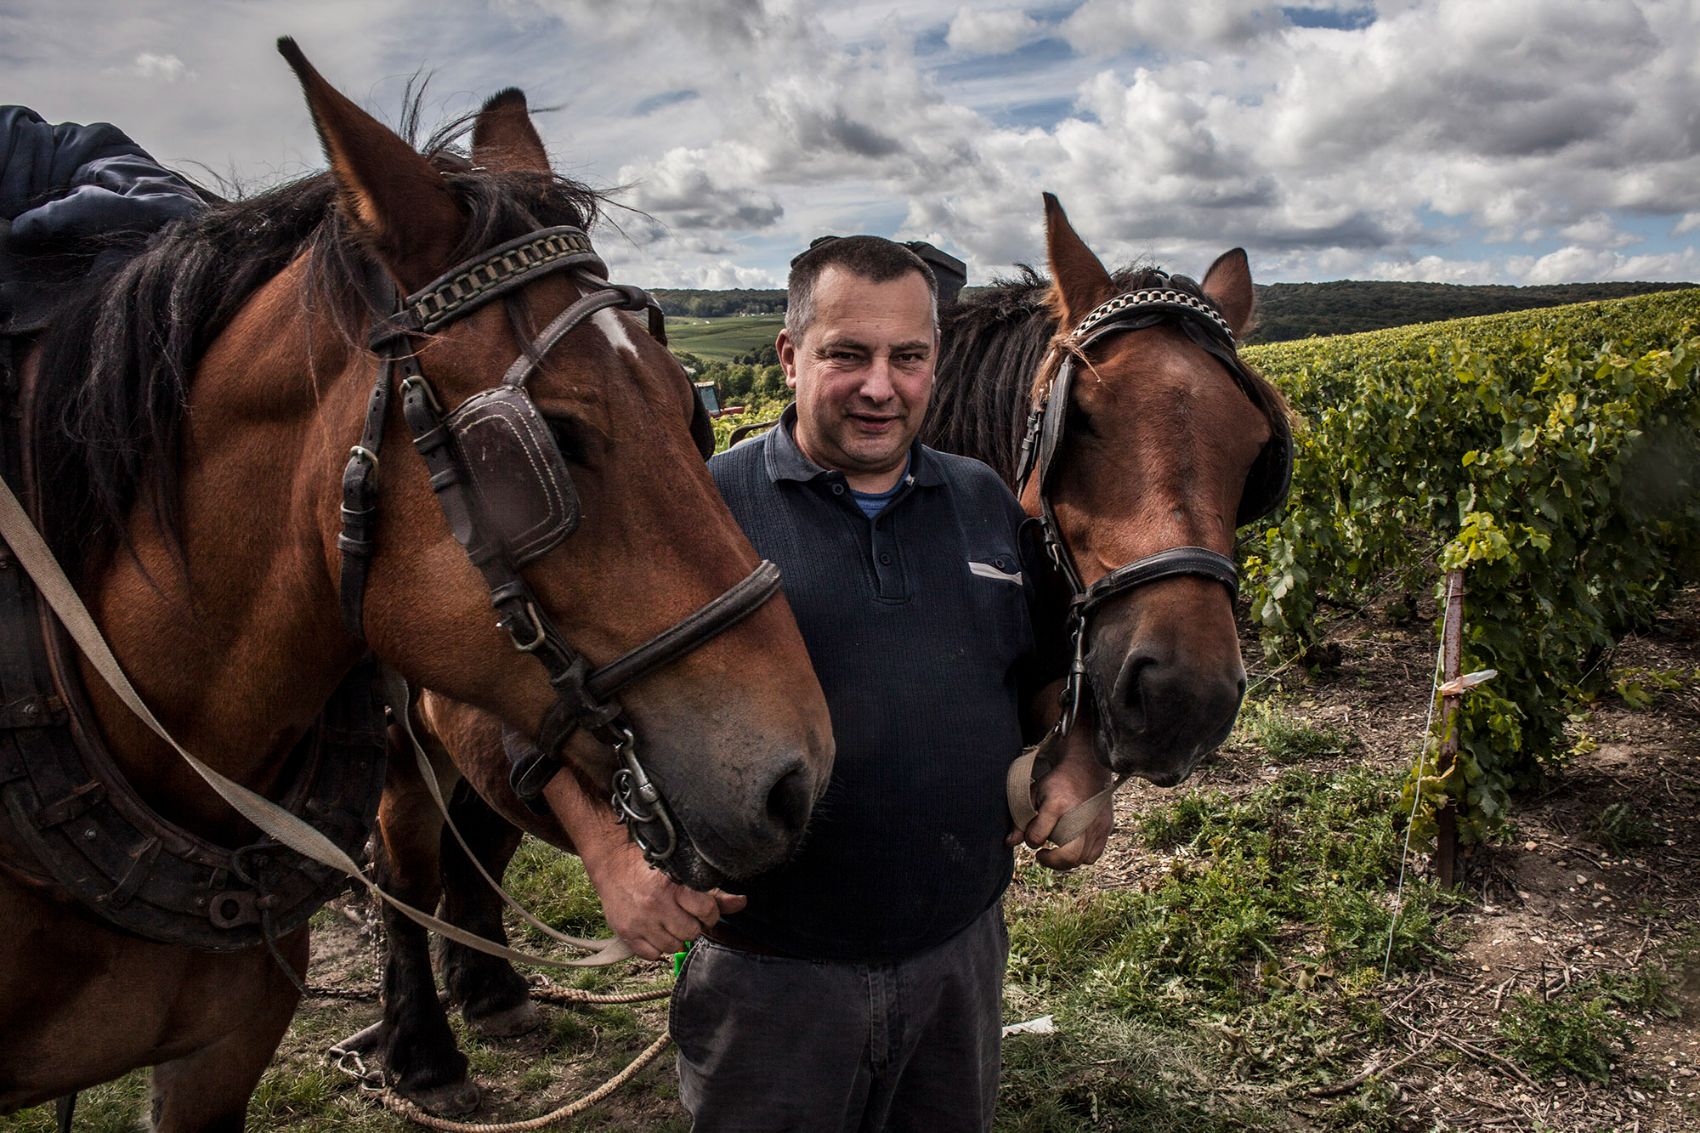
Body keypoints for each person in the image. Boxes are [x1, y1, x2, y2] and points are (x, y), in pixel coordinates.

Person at [542, 235, 1112, 1130]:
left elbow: (1047, 676)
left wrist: (1080, 760)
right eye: (847, 353)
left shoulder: (986, 502)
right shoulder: (701, 511)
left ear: (936, 363)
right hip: (768, 981)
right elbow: (529, 708)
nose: (880, 386)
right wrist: (614, 857)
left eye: (908, 357)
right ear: (789, 356)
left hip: (958, 962)